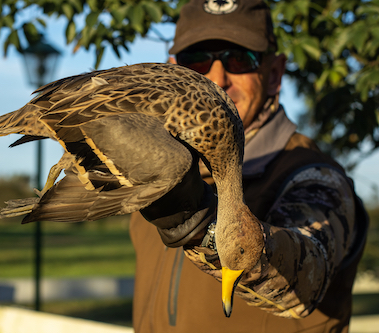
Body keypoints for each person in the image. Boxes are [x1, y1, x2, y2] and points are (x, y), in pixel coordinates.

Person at [129, 0, 369, 332]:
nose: (216, 78)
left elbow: (307, 271)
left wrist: (201, 225)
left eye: (239, 59)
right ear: (174, 70)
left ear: (274, 74)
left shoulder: (314, 177)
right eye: (196, 61)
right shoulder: (158, 167)